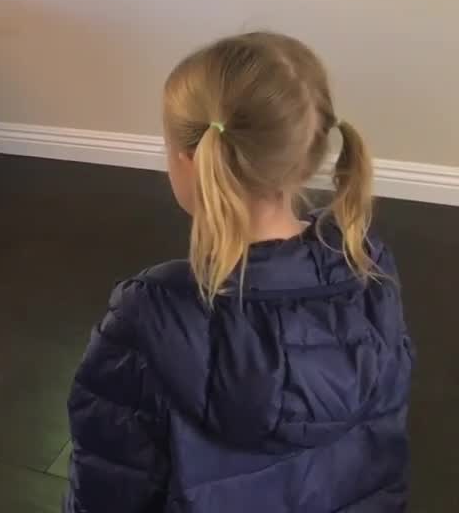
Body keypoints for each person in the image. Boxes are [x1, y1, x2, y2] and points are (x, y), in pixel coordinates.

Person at [66, 32, 413, 511]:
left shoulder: (147, 315)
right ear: (308, 151)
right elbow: (383, 451)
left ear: (189, 161)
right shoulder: (370, 270)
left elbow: (109, 486)